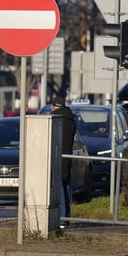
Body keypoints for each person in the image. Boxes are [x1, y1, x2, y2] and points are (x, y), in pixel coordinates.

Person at [50, 96, 76, 227]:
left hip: (55, 157)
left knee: (58, 188)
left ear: (53, 106)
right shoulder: (71, 119)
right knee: (65, 186)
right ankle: (66, 217)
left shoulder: (54, 120)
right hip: (67, 157)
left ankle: (62, 220)